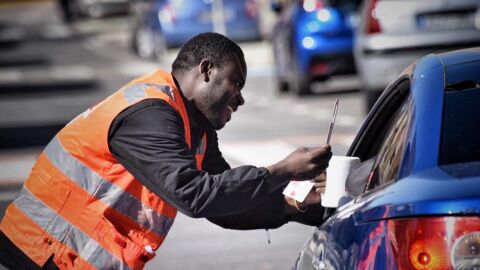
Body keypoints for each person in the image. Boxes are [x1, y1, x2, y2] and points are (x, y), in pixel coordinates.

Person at [0, 32, 332, 270]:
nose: (241, 98)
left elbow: (223, 204)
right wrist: (284, 170)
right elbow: (194, 195)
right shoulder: (150, 113)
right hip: (39, 256)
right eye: (237, 83)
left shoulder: (196, 129)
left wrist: (298, 206)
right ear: (206, 71)